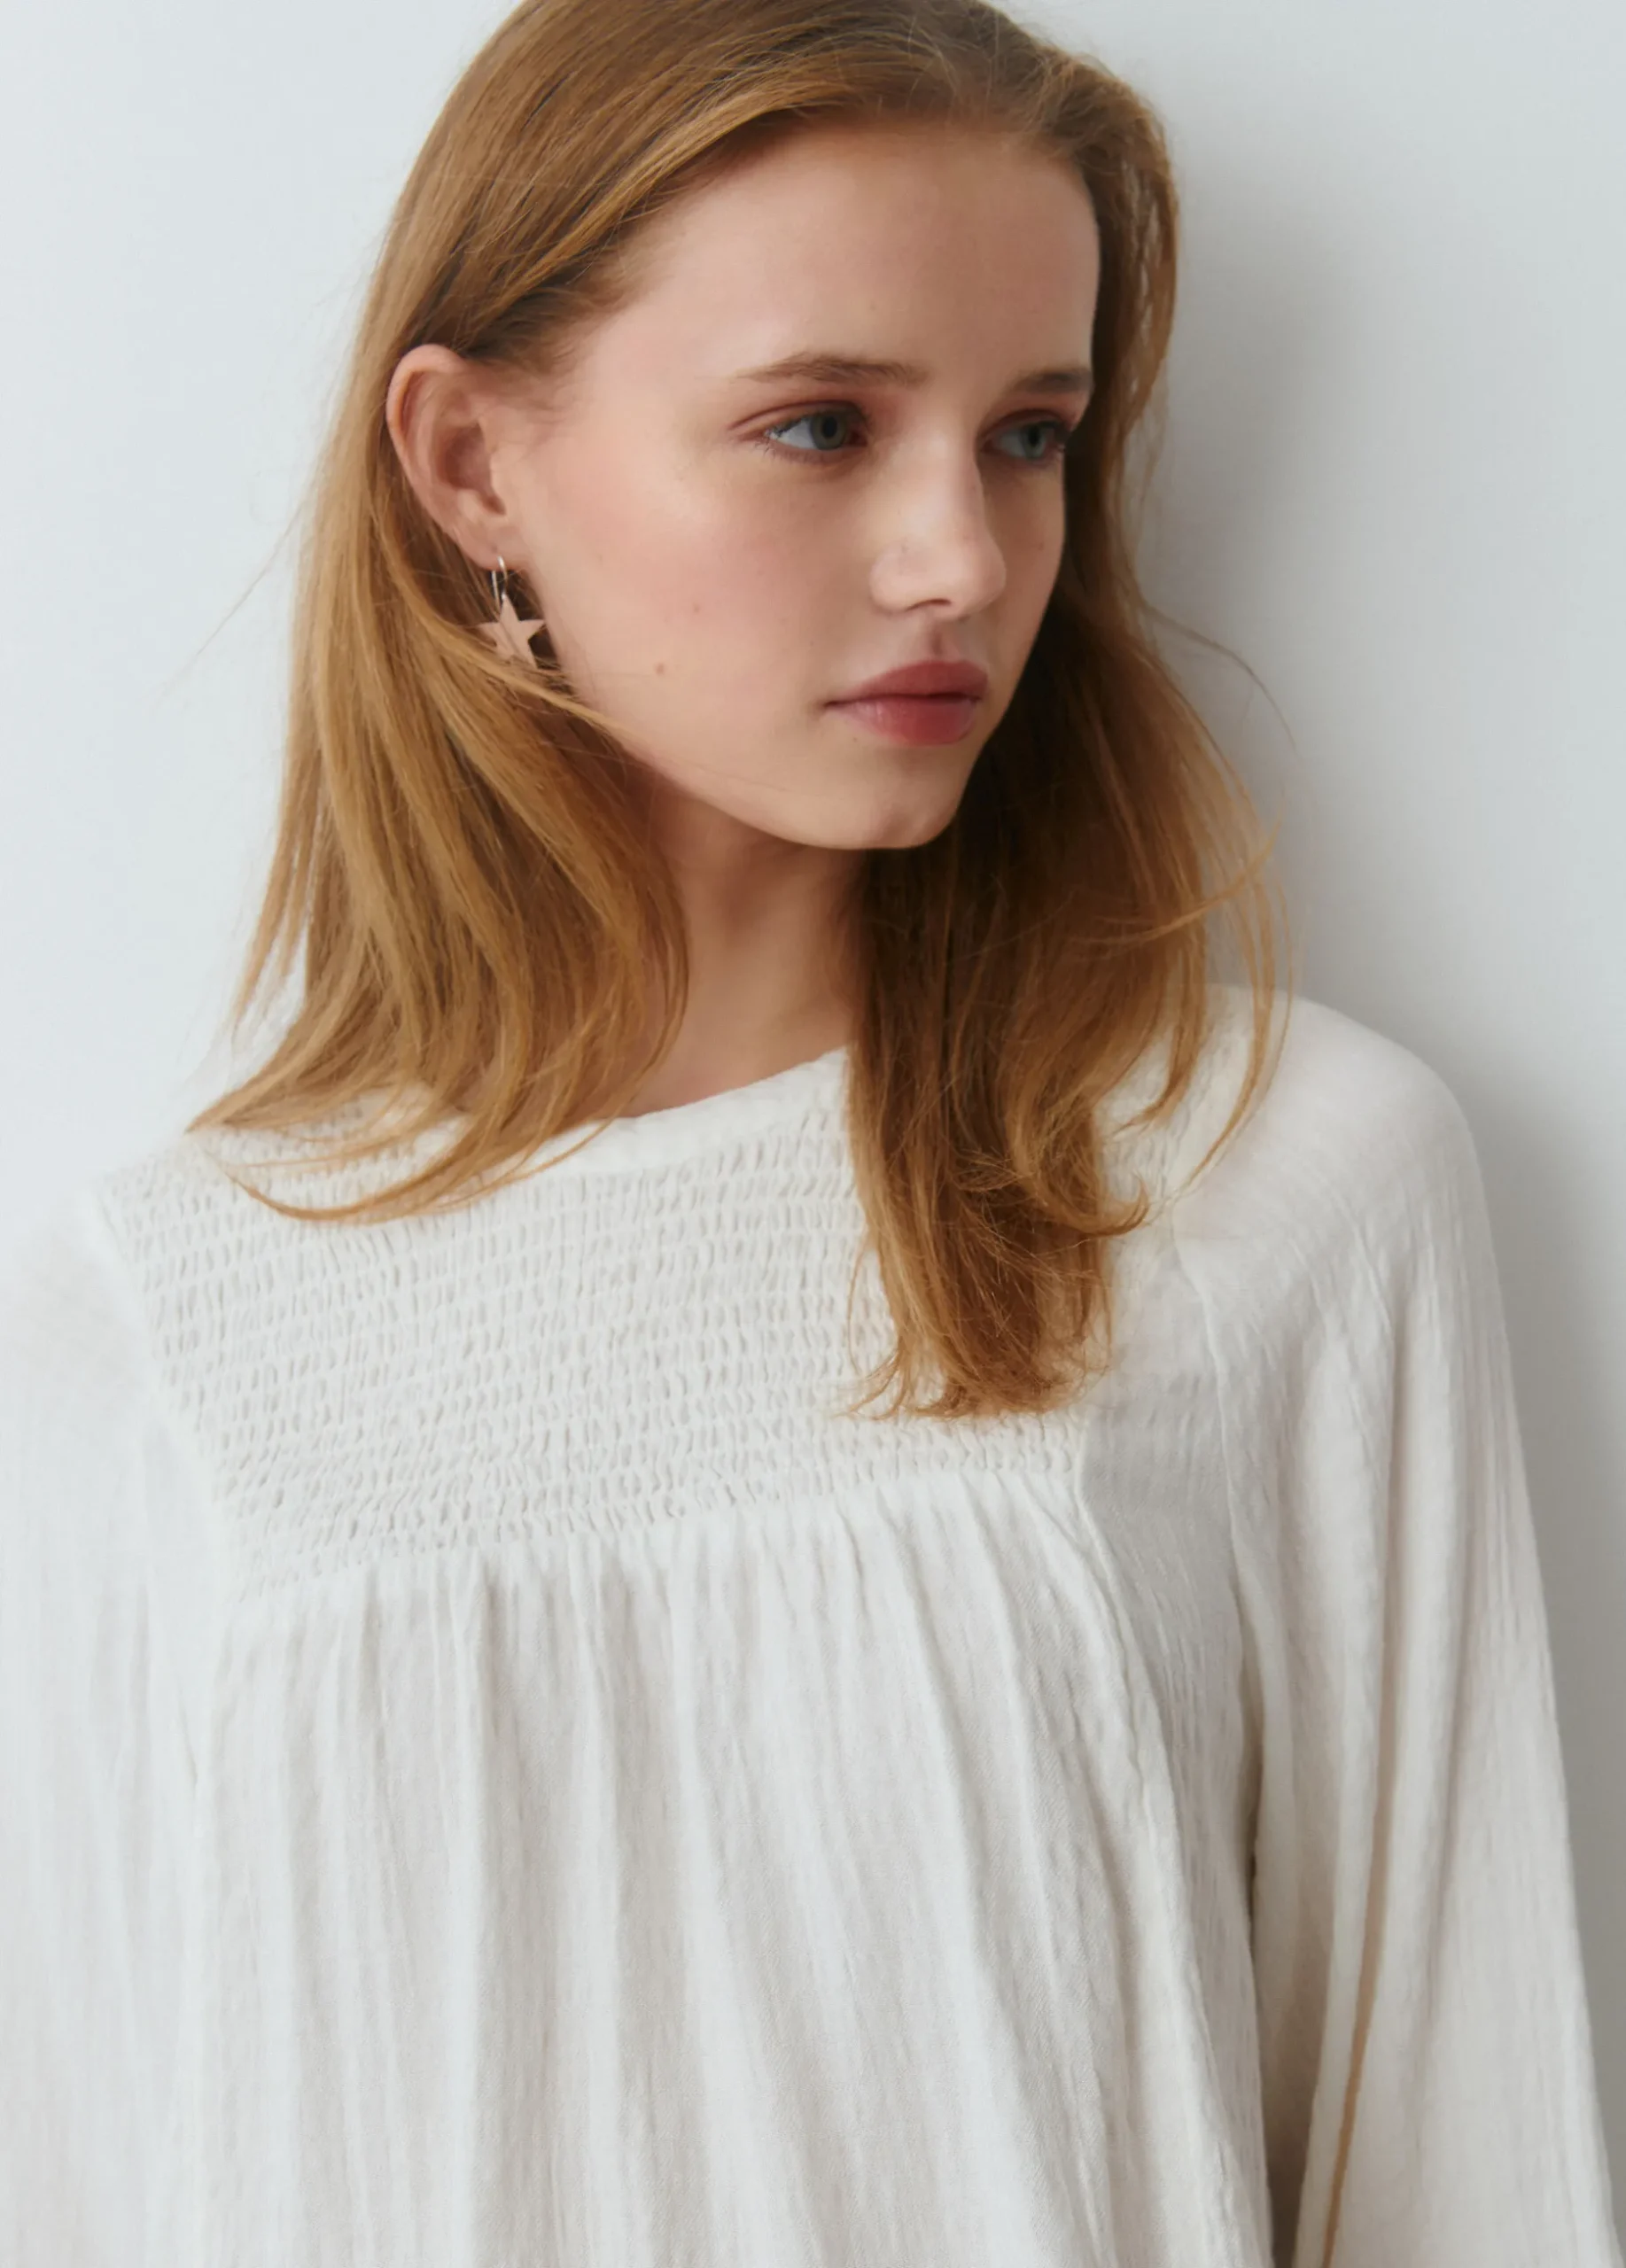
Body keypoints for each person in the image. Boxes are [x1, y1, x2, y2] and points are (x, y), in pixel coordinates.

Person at [1, 0, 1619, 2261]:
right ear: (470, 465)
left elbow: (1467, 2167)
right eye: (818, 424)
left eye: (1029, 434)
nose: (961, 555)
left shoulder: (1265, 1181)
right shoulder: (148, 1331)